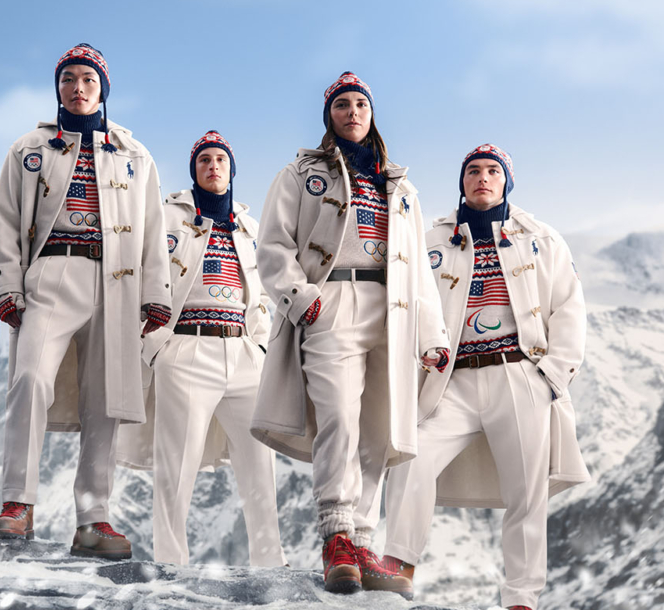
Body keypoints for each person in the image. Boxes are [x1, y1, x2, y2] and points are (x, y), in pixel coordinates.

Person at [250, 72, 449, 596]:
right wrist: (302, 299)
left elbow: (418, 272)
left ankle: (363, 540)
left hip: (393, 309)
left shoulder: (401, 188)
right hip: (331, 301)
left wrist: (432, 333)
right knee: (339, 414)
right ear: (329, 116)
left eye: (360, 103)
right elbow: (272, 245)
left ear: (372, 113)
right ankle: (336, 532)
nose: (352, 111)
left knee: (380, 426)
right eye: (342, 104)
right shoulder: (300, 173)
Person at [381, 144, 589, 610]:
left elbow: (569, 309)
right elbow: (410, 300)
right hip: (451, 380)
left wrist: (550, 378)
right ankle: (399, 565)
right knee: (410, 457)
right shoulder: (431, 238)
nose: (482, 177)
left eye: (493, 171)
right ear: (462, 180)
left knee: (526, 491)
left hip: (519, 375)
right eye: (473, 170)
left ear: (506, 181)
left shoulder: (541, 237)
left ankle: (521, 597)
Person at [0, 43, 171, 560]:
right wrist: (7, 285)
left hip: (118, 280)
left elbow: (155, 232)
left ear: (103, 90)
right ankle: (17, 503)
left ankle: (93, 518)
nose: (78, 87)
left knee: (104, 400)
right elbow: (3, 220)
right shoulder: (30, 147)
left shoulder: (136, 155)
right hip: (51, 269)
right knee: (29, 378)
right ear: (58, 88)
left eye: (88, 79)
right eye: (68, 78)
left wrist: (156, 297)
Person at [116, 131, 287, 567]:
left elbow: (262, 295)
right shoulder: (168, 216)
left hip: (243, 352)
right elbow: (142, 273)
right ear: (194, 169)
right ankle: (171, 562)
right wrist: (158, 347)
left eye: (221, 161)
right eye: (205, 160)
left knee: (259, 468)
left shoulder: (249, 227)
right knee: (177, 466)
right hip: (185, 349)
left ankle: (269, 562)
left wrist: (261, 346)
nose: (214, 166)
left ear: (232, 170)